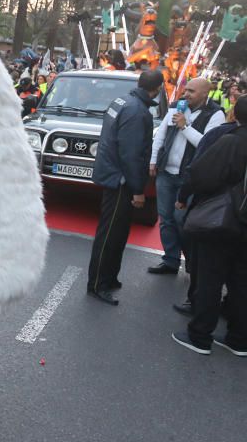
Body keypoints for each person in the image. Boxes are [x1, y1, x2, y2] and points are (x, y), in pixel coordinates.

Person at [170, 96, 247, 355]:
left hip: (222, 221)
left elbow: (200, 174)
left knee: (209, 279)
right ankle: (239, 339)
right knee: (241, 281)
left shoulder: (230, 141)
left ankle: (200, 336)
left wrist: (185, 197)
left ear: (235, 113)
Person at [86, 69, 163, 305]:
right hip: (121, 180)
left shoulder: (123, 101)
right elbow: (131, 154)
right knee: (110, 234)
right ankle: (98, 283)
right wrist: (138, 189)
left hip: (115, 175)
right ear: (158, 88)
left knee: (118, 233)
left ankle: (109, 277)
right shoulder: (138, 111)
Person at [147, 77, 225, 275]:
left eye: (192, 91)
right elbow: (161, 135)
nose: (186, 94)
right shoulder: (176, 107)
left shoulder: (215, 114)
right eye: (186, 90)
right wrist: (153, 160)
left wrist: (185, 126)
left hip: (190, 178)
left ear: (205, 94)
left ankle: (192, 262)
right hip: (166, 173)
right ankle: (171, 261)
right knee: (165, 219)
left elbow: (208, 145)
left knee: (183, 220)